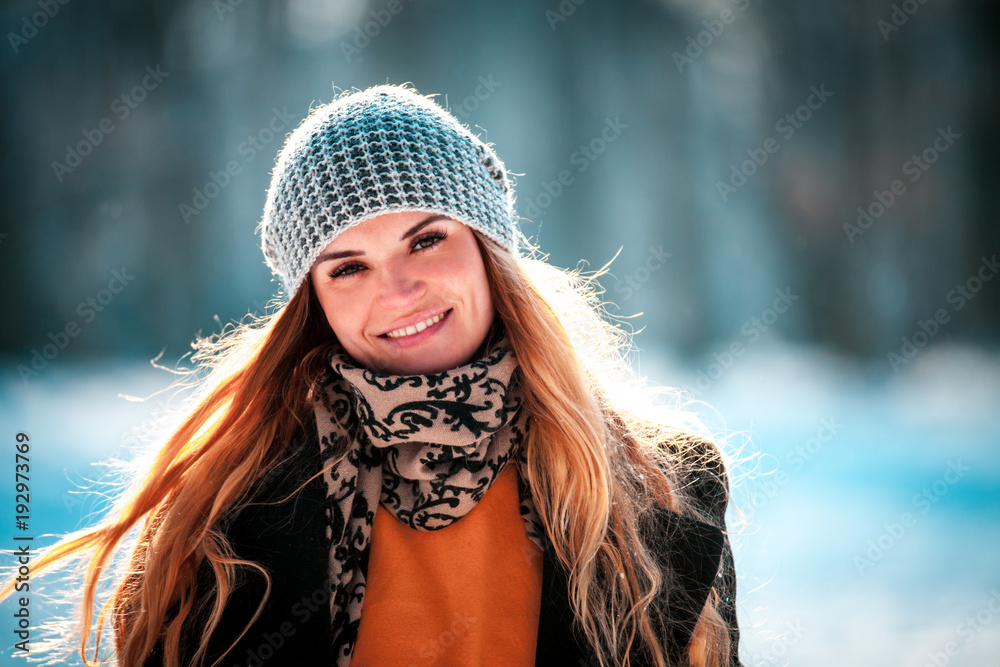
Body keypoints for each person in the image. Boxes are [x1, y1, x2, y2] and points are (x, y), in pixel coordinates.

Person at [4, 83, 742, 667]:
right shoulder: (221, 517)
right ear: (314, 302)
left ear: (490, 248)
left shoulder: (662, 487)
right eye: (348, 266)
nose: (397, 290)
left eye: (426, 238)